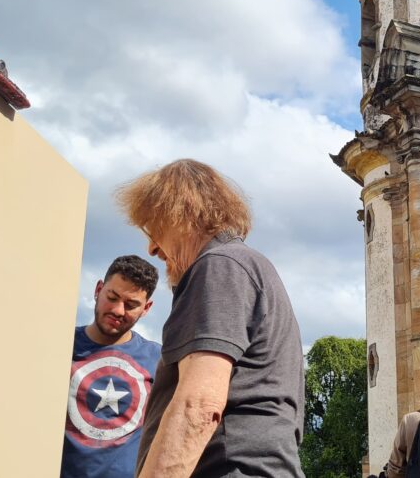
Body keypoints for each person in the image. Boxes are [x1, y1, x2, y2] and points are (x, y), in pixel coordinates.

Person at [121, 159, 305, 477]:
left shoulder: (220, 265)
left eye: (154, 228)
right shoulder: (244, 265)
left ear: (183, 213)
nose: (151, 248)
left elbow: (198, 407)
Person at [62, 255, 162, 478]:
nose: (118, 310)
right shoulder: (62, 345)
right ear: (98, 289)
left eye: (131, 305)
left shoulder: (158, 359)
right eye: (112, 297)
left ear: (146, 308)